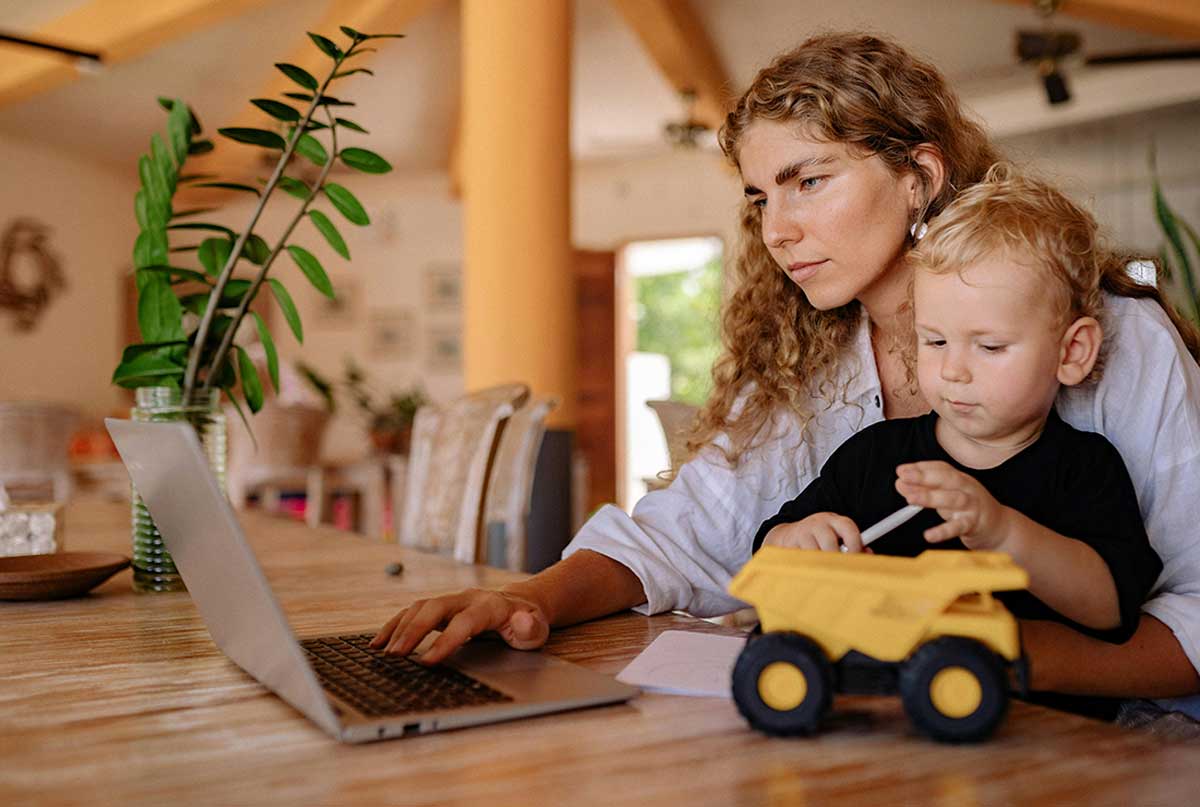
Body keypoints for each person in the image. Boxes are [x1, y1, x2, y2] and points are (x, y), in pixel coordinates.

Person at [372, 32, 1200, 709]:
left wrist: (979, 651)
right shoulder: (809, 359)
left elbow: (1192, 625)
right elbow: (678, 535)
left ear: (919, 177)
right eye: (762, 197)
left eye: (809, 181)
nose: (777, 229)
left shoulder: (1116, 344)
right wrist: (531, 599)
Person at [755, 167, 1161, 662]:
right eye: (935, 341)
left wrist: (1002, 531)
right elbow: (769, 548)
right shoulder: (874, 456)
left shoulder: (1085, 469)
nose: (953, 371)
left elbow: (1111, 608)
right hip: (879, 717)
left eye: (989, 346)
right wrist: (796, 540)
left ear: (1072, 352)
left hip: (1036, 727)